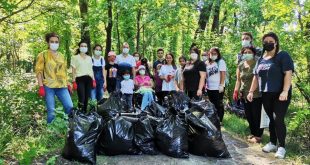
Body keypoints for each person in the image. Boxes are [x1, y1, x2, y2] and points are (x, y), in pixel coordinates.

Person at [247, 32, 294, 159]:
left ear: (276, 42)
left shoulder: (282, 56)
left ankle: (281, 147)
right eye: (265, 41)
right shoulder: (261, 59)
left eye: (270, 41)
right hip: (266, 94)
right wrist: (251, 91)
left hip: (281, 93)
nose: (268, 43)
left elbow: (288, 73)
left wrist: (285, 90)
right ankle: (272, 143)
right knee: (271, 119)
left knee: (278, 118)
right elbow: (256, 77)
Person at [35, 32, 73, 123]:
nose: (54, 43)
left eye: (56, 42)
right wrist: (41, 86)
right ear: (48, 43)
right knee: (51, 111)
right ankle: (50, 131)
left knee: (70, 106)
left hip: (62, 86)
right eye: (52, 41)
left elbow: (64, 71)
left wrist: (68, 83)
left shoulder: (62, 56)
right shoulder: (43, 55)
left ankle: (69, 126)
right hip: (49, 86)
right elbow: (39, 71)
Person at [233, 47, 263, 143]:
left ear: (253, 53)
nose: (247, 53)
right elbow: (238, 80)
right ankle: (253, 133)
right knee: (249, 115)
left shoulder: (257, 63)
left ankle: (258, 135)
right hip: (244, 94)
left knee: (256, 114)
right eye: (245, 52)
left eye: (249, 52)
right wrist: (236, 90)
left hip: (256, 93)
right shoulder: (241, 65)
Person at [71, 41, 96, 112]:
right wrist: (73, 81)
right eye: (82, 46)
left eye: (85, 46)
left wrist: (93, 80)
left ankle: (84, 113)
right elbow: (73, 70)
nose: (83, 47)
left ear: (87, 48)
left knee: (86, 98)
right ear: (79, 47)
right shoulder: (75, 57)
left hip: (89, 79)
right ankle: (79, 112)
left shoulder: (89, 58)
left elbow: (91, 70)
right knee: (81, 97)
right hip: (80, 79)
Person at [206, 47, 227, 123]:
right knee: (211, 104)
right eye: (212, 53)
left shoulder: (221, 62)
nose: (213, 55)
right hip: (209, 87)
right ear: (209, 54)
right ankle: (213, 119)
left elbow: (223, 74)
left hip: (218, 87)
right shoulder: (207, 63)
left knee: (219, 104)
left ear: (218, 54)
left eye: (215, 53)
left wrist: (221, 85)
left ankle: (219, 120)